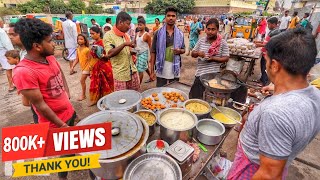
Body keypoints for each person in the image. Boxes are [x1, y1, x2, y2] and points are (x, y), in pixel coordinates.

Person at [227, 28, 320, 180]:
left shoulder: (275, 113)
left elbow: (269, 175)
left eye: (267, 60)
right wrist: (276, 86)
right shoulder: (316, 95)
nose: (266, 64)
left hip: (251, 171)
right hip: (280, 164)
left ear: (275, 65)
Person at [13, 18, 77, 179]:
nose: (54, 44)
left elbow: (60, 73)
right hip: (55, 123)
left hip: (69, 111)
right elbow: (40, 105)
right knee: (64, 154)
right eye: (50, 41)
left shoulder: (49, 57)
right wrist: (61, 125)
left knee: (76, 142)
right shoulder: (24, 71)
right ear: (37, 46)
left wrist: (67, 92)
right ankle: (62, 176)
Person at [189, 18, 229, 99]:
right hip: (200, 75)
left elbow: (226, 58)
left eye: (213, 29)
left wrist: (213, 59)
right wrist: (198, 53)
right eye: (208, 29)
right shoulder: (201, 41)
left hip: (214, 76)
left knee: (210, 99)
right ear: (206, 29)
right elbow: (192, 54)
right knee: (195, 97)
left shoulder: (222, 42)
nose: (210, 31)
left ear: (218, 29)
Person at [9, 22, 39, 124]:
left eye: (14, 34)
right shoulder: (22, 51)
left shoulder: (31, 53)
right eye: (10, 35)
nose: (10, 37)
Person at [104, 12, 140, 91]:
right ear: (120, 22)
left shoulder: (125, 35)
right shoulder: (108, 35)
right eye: (128, 24)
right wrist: (125, 44)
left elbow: (127, 52)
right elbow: (109, 53)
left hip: (132, 71)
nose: (129, 26)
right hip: (121, 75)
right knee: (122, 100)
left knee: (135, 97)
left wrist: (133, 51)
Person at [150, 6, 185, 87]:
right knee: (160, 90)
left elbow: (183, 49)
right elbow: (153, 52)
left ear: (176, 18)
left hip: (175, 67)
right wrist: (151, 71)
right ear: (165, 17)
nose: (171, 18)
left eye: (173, 16)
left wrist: (179, 51)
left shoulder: (180, 34)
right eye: (168, 16)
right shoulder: (158, 33)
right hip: (161, 67)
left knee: (174, 90)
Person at [89, 26, 114, 106]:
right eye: (90, 34)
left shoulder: (103, 42)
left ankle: (108, 100)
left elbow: (108, 54)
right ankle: (96, 99)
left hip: (104, 65)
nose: (91, 35)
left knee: (106, 82)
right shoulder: (94, 43)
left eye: (93, 34)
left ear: (98, 34)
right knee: (96, 82)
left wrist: (101, 54)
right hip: (96, 66)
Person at [254, 17, 280, 86]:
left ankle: (264, 82)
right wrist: (258, 42)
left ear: (274, 24)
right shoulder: (272, 31)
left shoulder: (276, 32)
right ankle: (261, 79)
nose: (268, 26)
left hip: (268, 54)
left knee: (265, 68)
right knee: (262, 67)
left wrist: (258, 45)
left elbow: (269, 44)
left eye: (269, 24)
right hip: (265, 53)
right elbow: (266, 41)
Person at [71, 34, 92, 101]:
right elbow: (77, 59)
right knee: (93, 80)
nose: (79, 40)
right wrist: (72, 66)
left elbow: (90, 60)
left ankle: (83, 95)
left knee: (82, 80)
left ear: (85, 40)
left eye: (81, 39)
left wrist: (89, 69)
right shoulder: (78, 49)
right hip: (83, 68)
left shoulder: (87, 50)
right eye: (78, 39)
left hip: (87, 67)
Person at [135, 18, 152, 84]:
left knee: (140, 70)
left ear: (145, 25)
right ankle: (151, 76)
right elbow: (134, 43)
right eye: (138, 25)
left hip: (144, 54)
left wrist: (151, 58)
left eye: (141, 25)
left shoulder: (147, 35)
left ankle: (138, 86)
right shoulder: (137, 34)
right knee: (144, 67)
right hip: (138, 53)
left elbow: (150, 46)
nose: (139, 26)